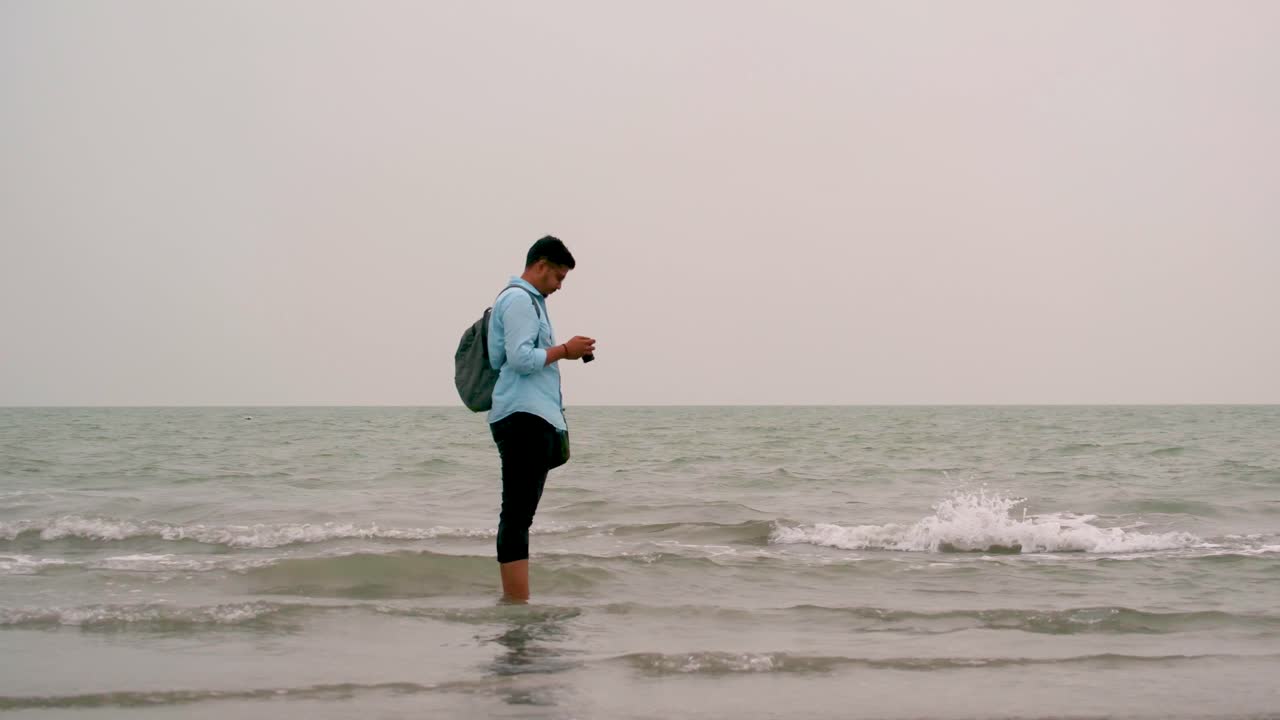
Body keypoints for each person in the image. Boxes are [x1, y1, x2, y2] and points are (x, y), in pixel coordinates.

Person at [487, 236, 595, 602]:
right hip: (522, 416)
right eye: (558, 277)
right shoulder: (518, 300)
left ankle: (517, 602)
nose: (560, 286)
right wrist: (565, 350)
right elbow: (519, 359)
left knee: (519, 515)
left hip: (528, 416)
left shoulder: (528, 302)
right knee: (517, 517)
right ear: (541, 265)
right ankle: (516, 604)